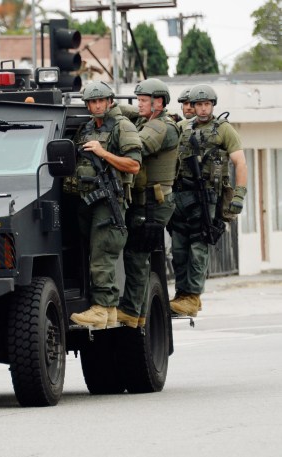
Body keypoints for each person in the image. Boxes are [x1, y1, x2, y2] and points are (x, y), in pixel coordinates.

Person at [68, 81, 142, 329]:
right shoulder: (87, 128)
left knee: (103, 255)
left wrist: (103, 153)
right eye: (92, 101)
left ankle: (101, 308)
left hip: (109, 201)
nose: (97, 105)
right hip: (89, 200)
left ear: (110, 101)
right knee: (94, 253)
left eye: (101, 100)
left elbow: (133, 165)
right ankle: (107, 311)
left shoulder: (123, 126)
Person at [169, 84, 248, 316]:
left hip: (206, 196)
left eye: (207, 104)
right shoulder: (182, 128)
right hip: (181, 195)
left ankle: (193, 296)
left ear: (212, 106)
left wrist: (239, 194)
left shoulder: (224, 130)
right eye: (199, 105)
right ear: (191, 106)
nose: (203, 109)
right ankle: (182, 295)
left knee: (198, 245)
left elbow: (240, 163)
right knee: (179, 249)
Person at [118, 78, 179, 328]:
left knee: (136, 255)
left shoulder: (160, 127)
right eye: (139, 99)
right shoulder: (149, 119)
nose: (139, 104)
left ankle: (132, 312)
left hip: (153, 204)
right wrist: (106, 104)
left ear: (159, 103)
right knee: (136, 255)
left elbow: (137, 146)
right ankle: (138, 313)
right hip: (147, 201)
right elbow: (128, 111)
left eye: (144, 100)